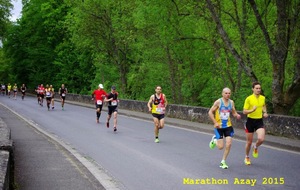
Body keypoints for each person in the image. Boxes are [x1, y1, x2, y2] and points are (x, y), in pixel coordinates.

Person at [208, 87, 241, 169]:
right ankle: (215, 139)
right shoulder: (218, 102)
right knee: (220, 147)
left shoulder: (231, 102)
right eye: (226, 93)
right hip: (219, 127)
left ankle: (223, 161)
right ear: (222, 94)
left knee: (229, 143)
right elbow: (210, 112)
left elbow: (233, 112)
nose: (227, 95)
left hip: (228, 126)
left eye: (229, 93)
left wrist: (237, 115)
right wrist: (215, 122)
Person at [243, 82, 268, 165]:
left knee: (261, 139)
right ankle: (247, 157)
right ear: (253, 89)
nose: (258, 90)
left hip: (259, 121)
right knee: (249, 142)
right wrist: (252, 110)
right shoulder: (249, 99)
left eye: (259, 88)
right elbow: (244, 111)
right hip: (250, 121)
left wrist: (264, 112)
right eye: (256, 88)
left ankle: (256, 146)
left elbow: (263, 106)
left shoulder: (263, 98)